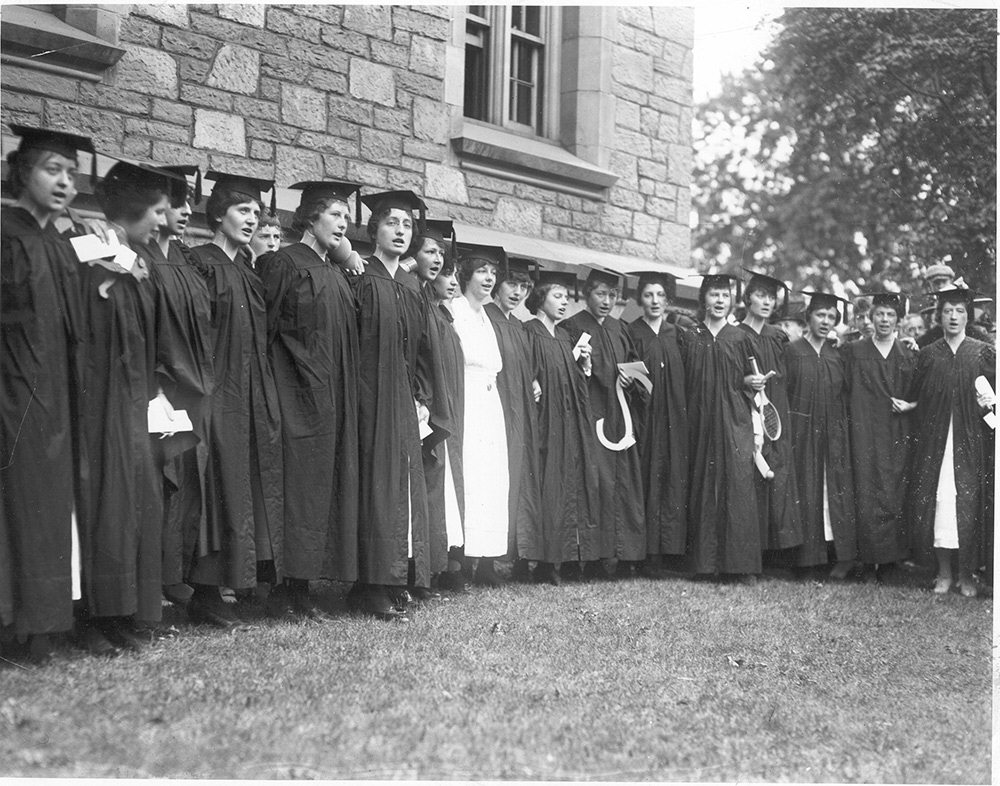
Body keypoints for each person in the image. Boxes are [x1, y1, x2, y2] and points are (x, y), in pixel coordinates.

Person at [78, 159, 184, 652]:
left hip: (135, 402)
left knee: (137, 507)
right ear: (132, 210)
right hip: (99, 403)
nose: (163, 221)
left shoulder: (140, 260)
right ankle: (101, 618)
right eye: (158, 211)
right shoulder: (92, 249)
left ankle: (130, 614)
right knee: (109, 508)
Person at [0, 126, 92, 663]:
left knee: (51, 507)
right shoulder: (5, 234)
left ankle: (43, 627)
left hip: (56, 391)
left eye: (70, 174)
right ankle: (18, 625)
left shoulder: (63, 244)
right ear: (21, 174)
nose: (63, 182)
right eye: (51, 170)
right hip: (12, 387)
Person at [257, 181, 363, 619]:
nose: (342, 224)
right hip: (293, 396)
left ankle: (303, 586)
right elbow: (262, 332)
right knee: (293, 492)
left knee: (318, 493)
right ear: (309, 218)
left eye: (345, 216)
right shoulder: (282, 263)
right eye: (334, 215)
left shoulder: (334, 273)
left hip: (330, 400)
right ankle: (281, 591)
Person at [189, 171, 284, 626]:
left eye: (256, 213)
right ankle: (204, 593)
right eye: (242, 211)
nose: (251, 220)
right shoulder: (198, 262)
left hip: (250, 391)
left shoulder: (248, 269)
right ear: (217, 214)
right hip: (215, 390)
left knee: (242, 488)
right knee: (215, 489)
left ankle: (238, 585)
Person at [350, 190, 434, 620]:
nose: (401, 232)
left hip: (401, 398)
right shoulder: (360, 278)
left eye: (407, 225)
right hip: (367, 396)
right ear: (373, 231)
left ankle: (396, 577)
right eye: (391, 224)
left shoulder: (409, 286)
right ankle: (371, 584)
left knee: (400, 487)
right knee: (376, 487)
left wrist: (420, 395)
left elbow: (420, 349)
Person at [140, 164, 214, 613]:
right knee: (157, 485)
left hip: (189, 390)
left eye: (189, 203)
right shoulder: (143, 258)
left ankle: (173, 578)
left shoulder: (186, 261)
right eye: (176, 203)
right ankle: (153, 586)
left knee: (184, 487)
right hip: (157, 390)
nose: (186, 211)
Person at [907, 287, 995, 597]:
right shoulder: (929, 354)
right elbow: (916, 396)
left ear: (968, 315)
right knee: (941, 505)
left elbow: (993, 401)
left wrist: (990, 402)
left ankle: (967, 574)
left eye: (959, 310)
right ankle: (943, 573)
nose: (953, 316)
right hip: (937, 445)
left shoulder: (983, 352)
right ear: (939, 315)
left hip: (970, 442)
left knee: (968, 503)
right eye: (947, 311)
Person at [562, 269, 646, 580]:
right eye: (601, 294)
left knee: (623, 486)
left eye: (612, 295)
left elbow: (641, 376)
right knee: (593, 485)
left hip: (619, 419)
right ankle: (591, 559)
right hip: (589, 417)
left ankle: (621, 556)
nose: (607, 301)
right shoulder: (571, 327)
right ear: (586, 294)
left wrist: (631, 379)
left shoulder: (621, 329)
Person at [678, 274, 762, 580]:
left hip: (732, 421)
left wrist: (750, 382)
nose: (719, 301)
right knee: (701, 485)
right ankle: (703, 564)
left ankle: (738, 566)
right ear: (704, 300)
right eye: (713, 295)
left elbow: (747, 379)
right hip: (699, 421)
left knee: (736, 486)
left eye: (724, 296)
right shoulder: (690, 336)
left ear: (731, 302)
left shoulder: (739, 338)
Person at [523, 270, 600, 584]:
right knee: (546, 487)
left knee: (567, 487)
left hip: (567, 424)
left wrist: (583, 365)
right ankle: (543, 562)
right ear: (540, 299)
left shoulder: (565, 336)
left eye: (567, 297)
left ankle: (564, 557)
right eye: (558, 296)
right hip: (544, 423)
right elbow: (526, 370)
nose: (564, 302)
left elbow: (570, 381)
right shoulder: (530, 330)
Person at [842, 292, 918, 582]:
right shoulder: (853, 351)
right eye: (880, 314)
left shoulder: (909, 354)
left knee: (893, 492)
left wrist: (911, 405)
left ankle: (889, 563)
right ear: (870, 317)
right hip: (863, 432)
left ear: (898, 320)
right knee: (863, 491)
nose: (884, 320)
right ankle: (864, 561)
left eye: (890, 315)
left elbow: (921, 395)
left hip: (897, 434)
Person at [784, 291, 857, 579]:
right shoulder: (792, 351)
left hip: (830, 434)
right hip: (800, 433)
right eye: (820, 315)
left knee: (828, 495)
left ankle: (827, 557)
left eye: (831, 317)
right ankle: (802, 561)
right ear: (808, 317)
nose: (825, 321)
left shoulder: (836, 356)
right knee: (803, 491)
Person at [410, 220, 465, 595]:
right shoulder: (414, 295)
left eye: (440, 254)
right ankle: (416, 573)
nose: (437, 261)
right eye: (430, 252)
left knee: (433, 488)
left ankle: (428, 571)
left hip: (434, 406)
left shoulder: (436, 306)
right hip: (418, 403)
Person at [451, 246, 511, 586]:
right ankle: (458, 562)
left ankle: (486, 561)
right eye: (481, 272)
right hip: (467, 400)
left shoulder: (489, 317)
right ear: (466, 274)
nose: (489, 279)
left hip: (490, 405)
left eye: (492, 273)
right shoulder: (453, 311)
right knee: (470, 478)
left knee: (492, 480)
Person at [624, 271, 689, 573]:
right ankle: (643, 554)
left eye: (660, 295)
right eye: (648, 295)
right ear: (640, 298)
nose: (654, 301)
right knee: (645, 478)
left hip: (674, 419)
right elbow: (631, 375)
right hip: (644, 418)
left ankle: (668, 552)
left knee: (670, 479)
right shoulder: (631, 331)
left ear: (668, 299)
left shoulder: (678, 333)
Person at [483, 253, 542, 583]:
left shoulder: (519, 327)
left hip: (519, 414)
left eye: (524, 286)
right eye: (511, 284)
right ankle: (480, 563)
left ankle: (506, 555)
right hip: (495, 410)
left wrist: (532, 381)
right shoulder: (486, 318)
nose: (517, 292)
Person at [738, 271, 803, 555]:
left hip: (775, 411)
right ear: (747, 298)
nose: (766, 302)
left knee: (775, 473)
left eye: (770, 297)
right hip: (746, 411)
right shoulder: (735, 334)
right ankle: (752, 550)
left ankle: (774, 552)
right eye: (760, 295)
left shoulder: (778, 337)